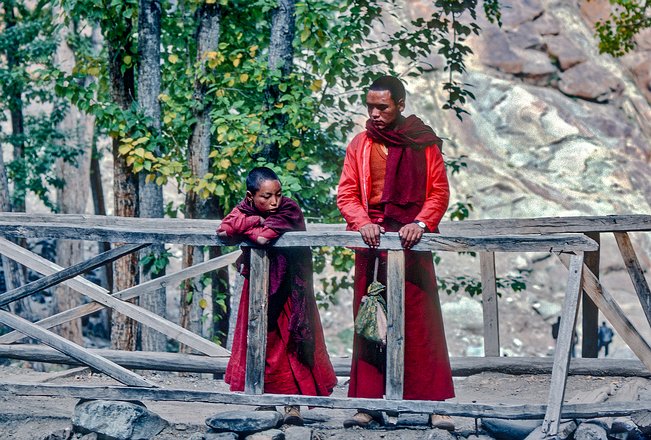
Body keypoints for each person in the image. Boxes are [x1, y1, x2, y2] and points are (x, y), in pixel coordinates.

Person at [337, 75, 454, 430]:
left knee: (422, 323)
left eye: (382, 107)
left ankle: (434, 404)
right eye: (369, 106)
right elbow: (346, 193)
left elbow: (439, 191)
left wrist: (419, 222)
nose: (374, 113)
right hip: (372, 245)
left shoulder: (423, 143)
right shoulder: (360, 144)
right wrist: (362, 222)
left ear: (400, 105)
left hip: (412, 243)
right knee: (372, 322)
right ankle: (368, 404)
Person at [219, 167, 337, 425]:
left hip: (291, 287)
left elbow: (261, 239)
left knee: (291, 342)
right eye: (267, 196)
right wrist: (254, 222)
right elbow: (223, 230)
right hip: (258, 286)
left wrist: (246, 228)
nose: (274, 202)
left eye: (278, 194)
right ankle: (265, 400)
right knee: (263, 339)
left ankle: (292, 405)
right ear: (251, 197)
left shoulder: (289, 209)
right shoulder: (247, 208)